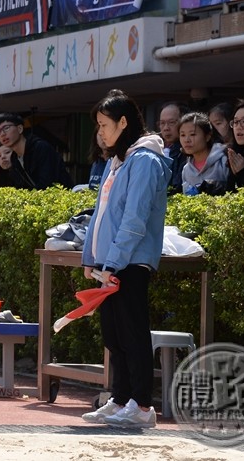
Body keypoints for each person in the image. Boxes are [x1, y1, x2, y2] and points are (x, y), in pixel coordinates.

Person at [80, 89, 171, 429]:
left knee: (132, 333)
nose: (100, 133)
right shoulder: (117, 160)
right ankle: (119, 399)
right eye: (98, 126)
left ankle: (143, 406)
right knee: (113, 335)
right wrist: (91, 257)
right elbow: (100, 213)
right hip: (111, 263)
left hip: (129, 263)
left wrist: (111, 262)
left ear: (124, 122)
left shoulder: (145, 159)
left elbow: (135, 219)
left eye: (105, 125)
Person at [0, 113, 73, 190]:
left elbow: (47, 183)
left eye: (6, 128)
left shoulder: (40, 148)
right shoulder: (14, 157)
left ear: (20, 129)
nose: (2, 134)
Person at [178, 112, 231, 195]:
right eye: (183, 135)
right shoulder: (186, 169)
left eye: (192, 134)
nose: (187, 140)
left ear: (207, 136)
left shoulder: (224, 160)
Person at [157, 101, 190, 194]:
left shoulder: (188, 150)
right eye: (162, 123)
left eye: (171, 122)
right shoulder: (154, 149)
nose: (166, 128)